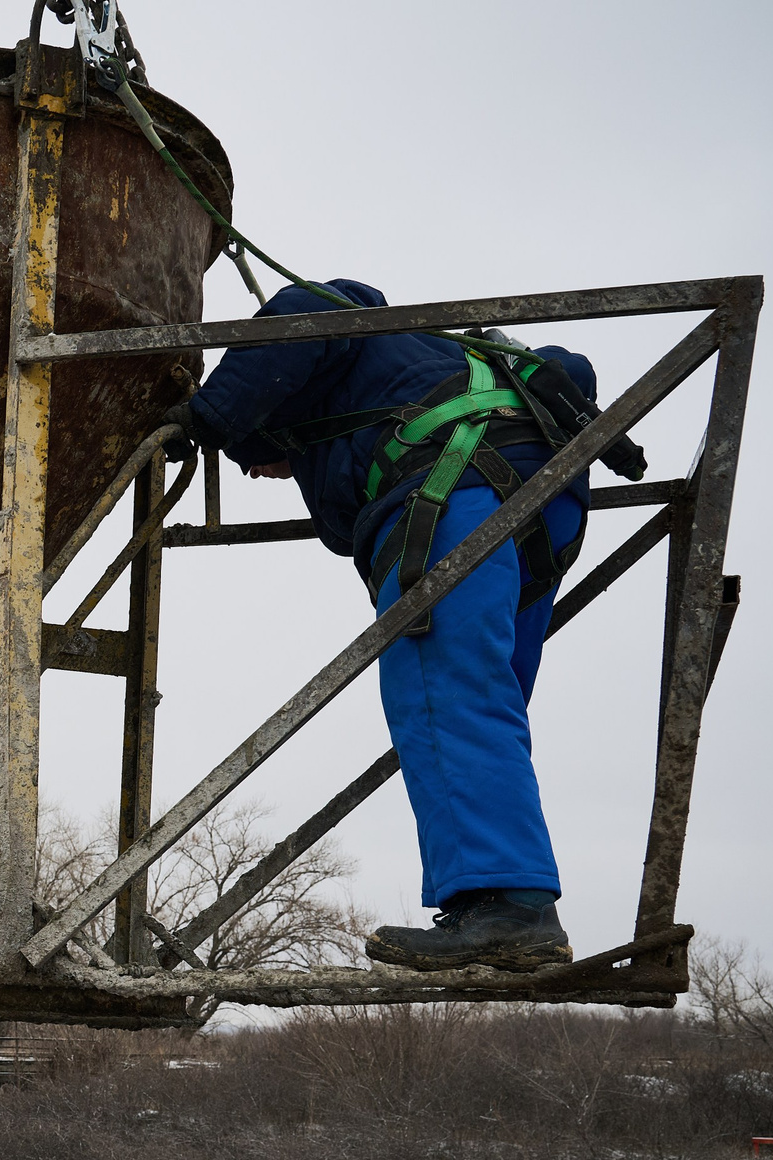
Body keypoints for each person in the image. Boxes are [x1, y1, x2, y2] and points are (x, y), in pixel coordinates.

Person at [167, 279, 639, 973]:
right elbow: (573, 369)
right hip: (546, 497)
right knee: (486, 700)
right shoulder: (434, 351)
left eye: (259, 459)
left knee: (439, 688)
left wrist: (208, 418)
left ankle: (509, 910)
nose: (264, 472)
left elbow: (309, 311)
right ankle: (509, 900)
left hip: (453, 484)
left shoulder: (337, 326)